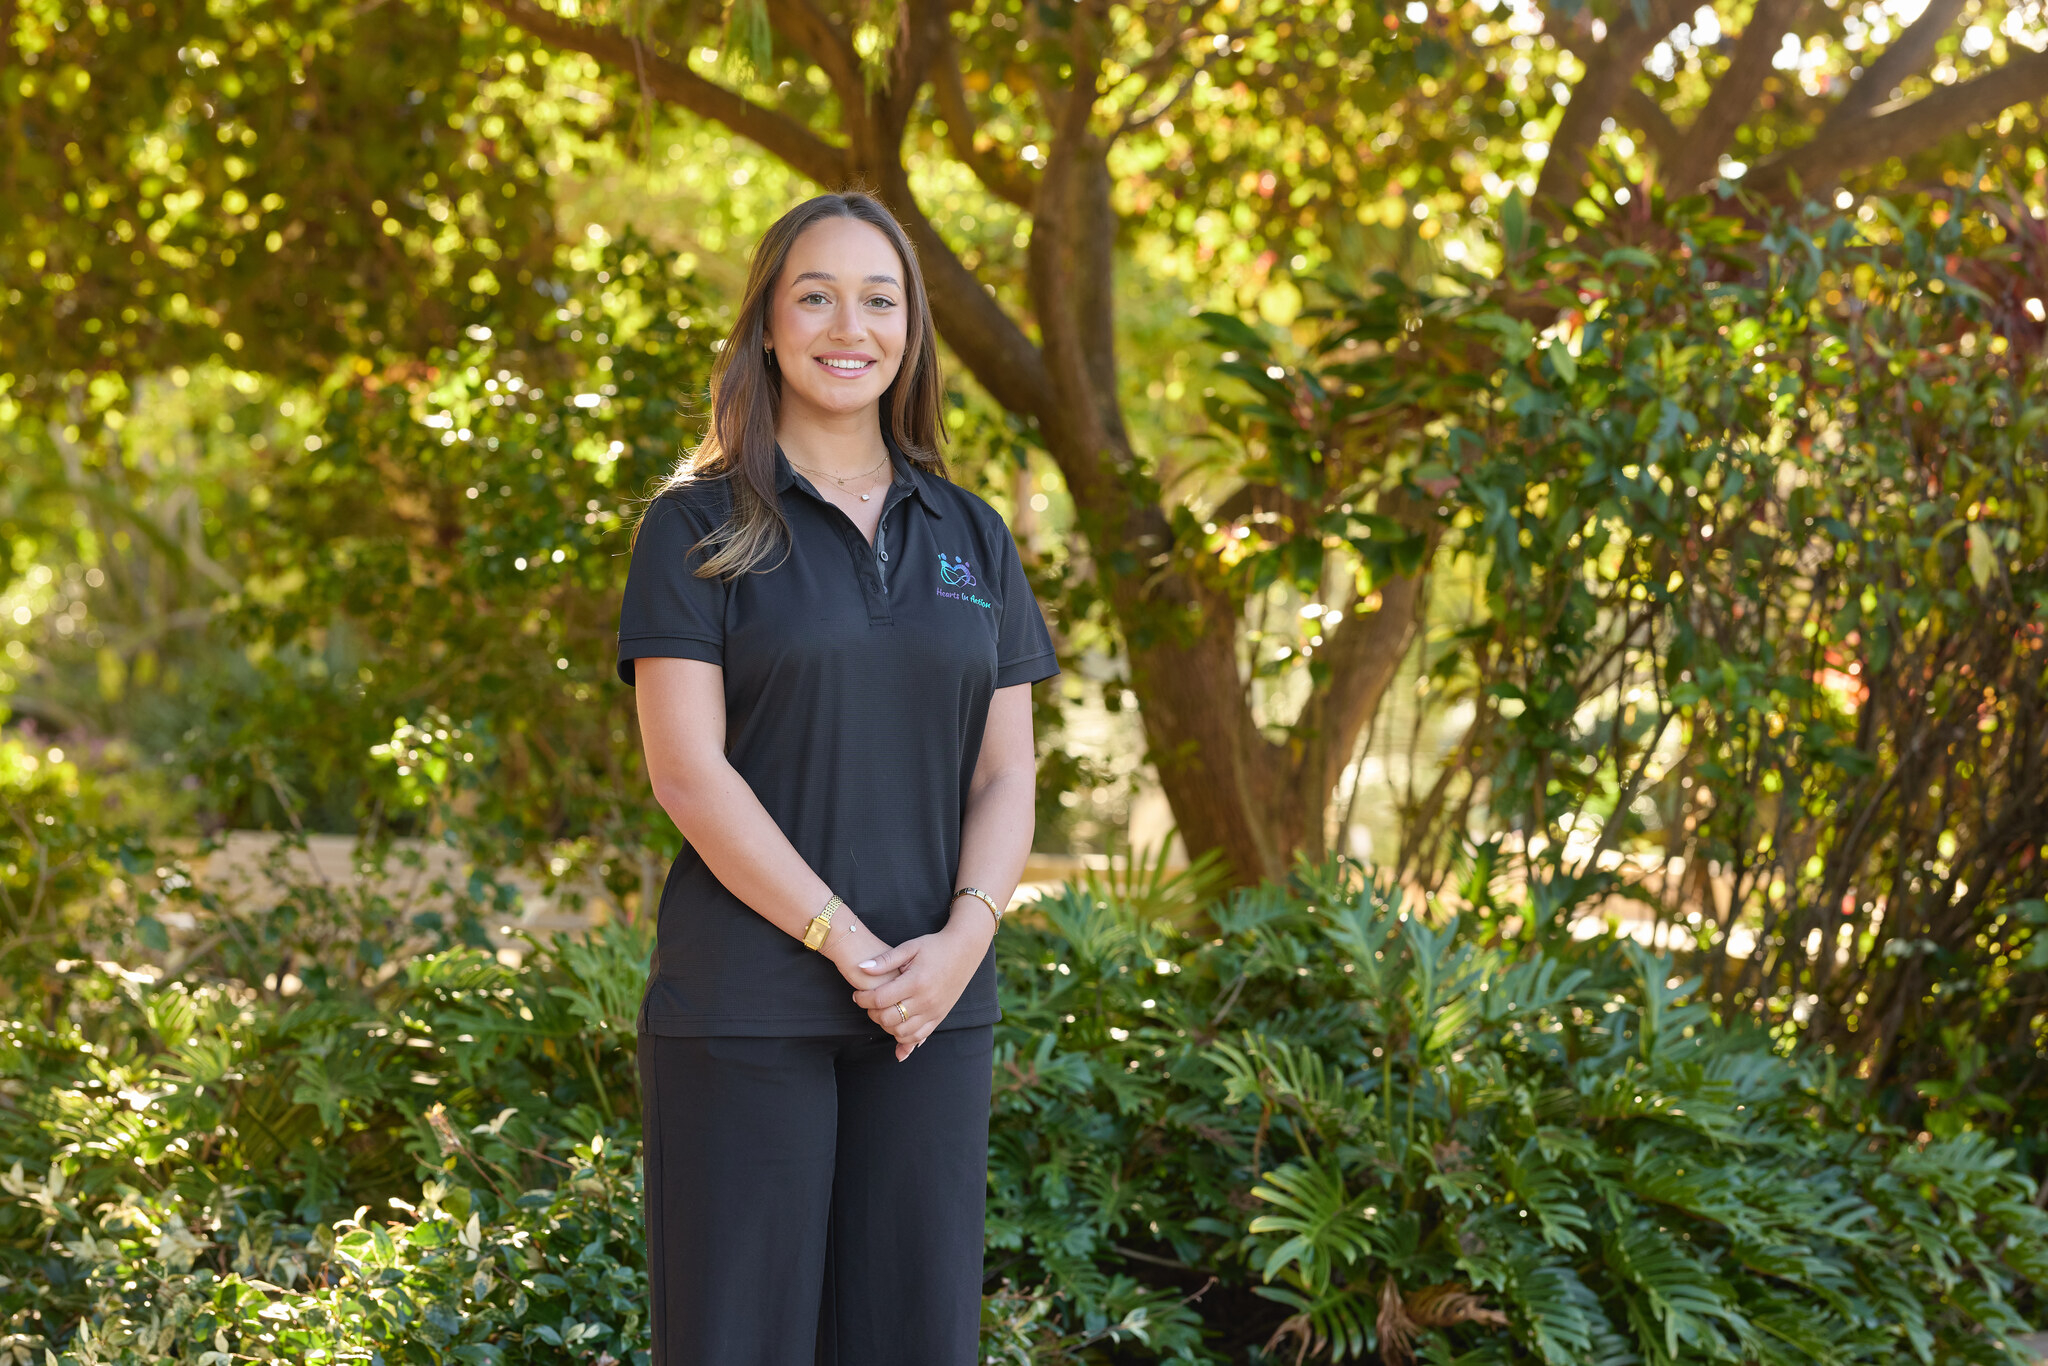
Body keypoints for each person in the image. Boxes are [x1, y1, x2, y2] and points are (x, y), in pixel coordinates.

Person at [615, 190, 1060, 1366]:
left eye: (878, 298)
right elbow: (686, 771)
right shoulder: (695, 525)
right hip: (745, 1007)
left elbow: (1006, 773)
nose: (845, 324)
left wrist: (959, 945)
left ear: (909, 331)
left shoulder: (972, 534)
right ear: (766, 322)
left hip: (930, 1014)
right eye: (813, 295)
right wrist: (847, 944)